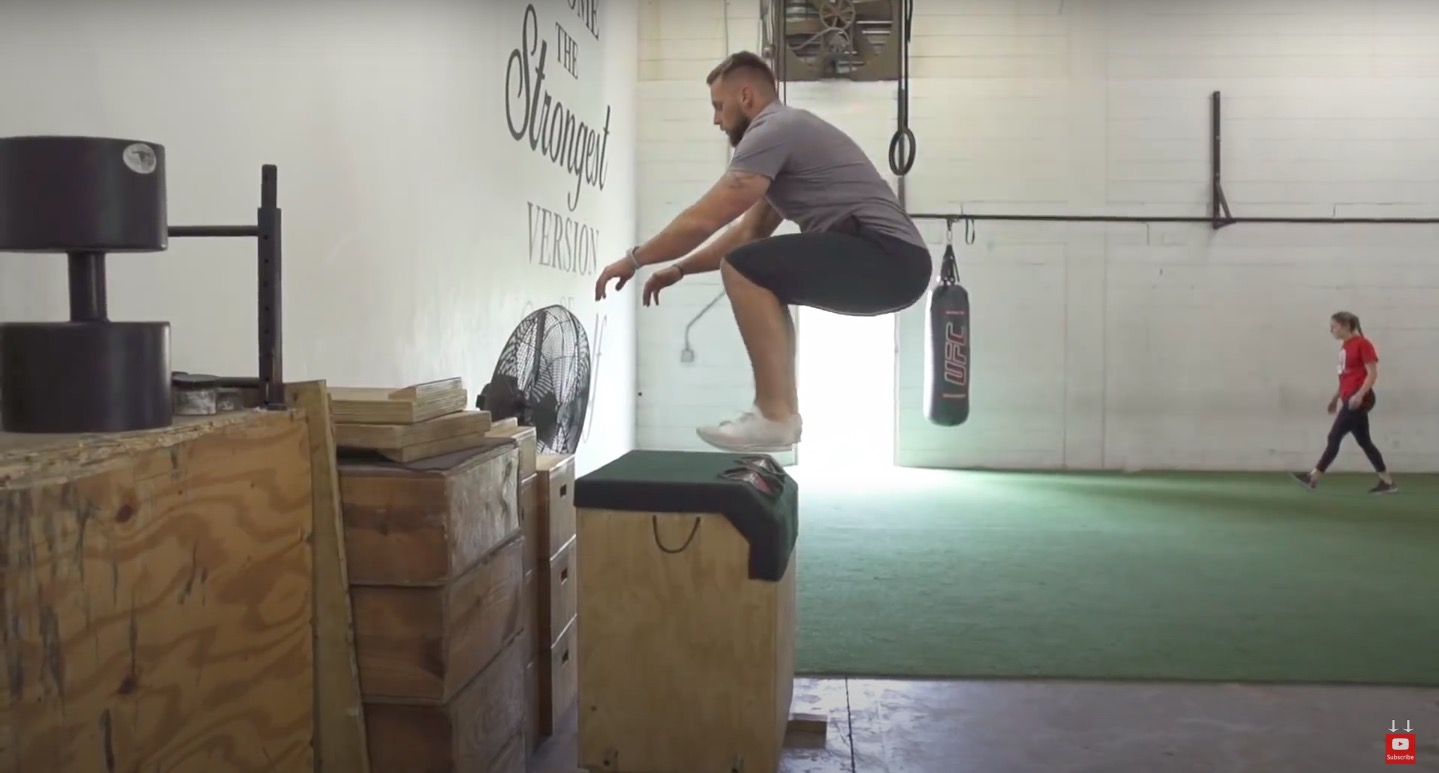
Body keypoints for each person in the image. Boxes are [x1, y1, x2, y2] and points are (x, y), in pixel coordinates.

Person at [593, 51, 932, 452]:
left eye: (719, 106)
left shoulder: (774, 129)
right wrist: (679, 269)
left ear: (747, 97)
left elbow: (706, 218)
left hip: (887, 257)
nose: (716, 120)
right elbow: (748, 232)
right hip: (894, 264)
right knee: (755, 268)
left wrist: (634, 259)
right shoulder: (788, 147)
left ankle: (773, 415)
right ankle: (782, 415)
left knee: (747, 269)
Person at [1292, 311, 1397, 495]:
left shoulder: (1362, 344)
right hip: (1349, 397)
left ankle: (1313, 477)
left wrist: (1359, 395)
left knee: (1334, 437)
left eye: (1334, 326)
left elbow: (1372, 373)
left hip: (1358, 399)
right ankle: (1387, 482)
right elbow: (1345, 380)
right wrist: (1335, 398)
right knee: (1365, 442)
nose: (1331, 329)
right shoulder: (1344, 349)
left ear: (1347, 326)